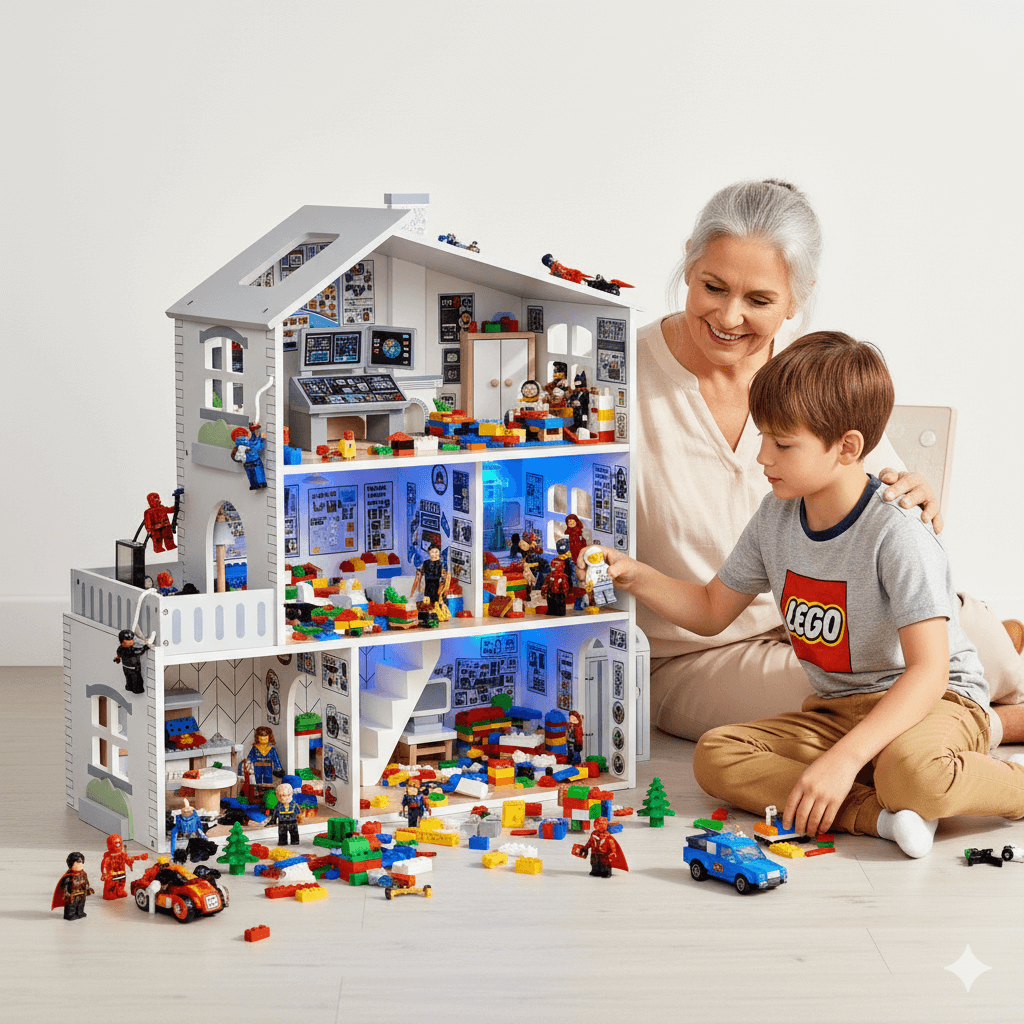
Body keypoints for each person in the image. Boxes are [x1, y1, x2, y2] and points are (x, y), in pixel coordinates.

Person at [636, 179, 1024, 746]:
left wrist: (912, 491)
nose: (729, 315)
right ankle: (1001, 720)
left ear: (797, 299)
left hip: (827, 624)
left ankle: (999, 659)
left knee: (965, 645)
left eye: (760, 301)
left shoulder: (804, 374)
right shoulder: (623, 377)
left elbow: (873, 487)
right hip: (704, 652)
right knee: (856, 699)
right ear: (689, 262)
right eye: (713, 287)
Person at [609, 332, 1024, 858]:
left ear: (847, 446)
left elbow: (928, 673)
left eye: (782, 444)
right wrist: (634, 575)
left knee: (912, 774)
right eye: (762, 437)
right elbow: (712, 611)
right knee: (717, 755)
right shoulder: (776, 519)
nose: (761, 456)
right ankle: (879, 817)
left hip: (930, 702)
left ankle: (999, 784)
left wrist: (844, 760)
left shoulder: (896, 532)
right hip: (838, 708)